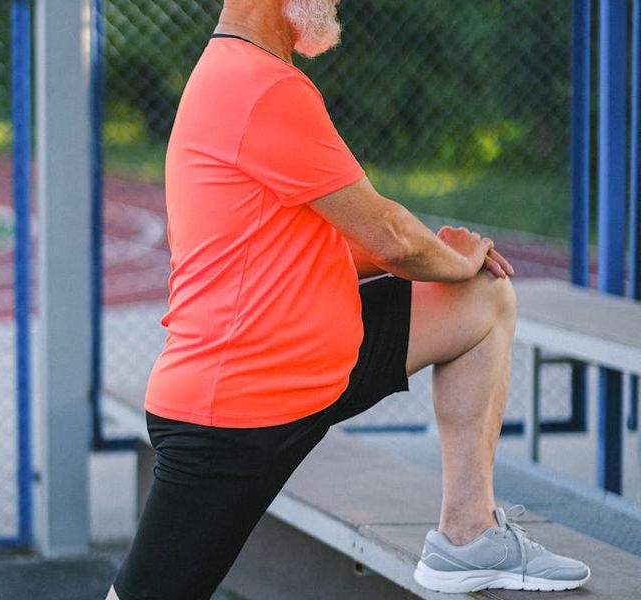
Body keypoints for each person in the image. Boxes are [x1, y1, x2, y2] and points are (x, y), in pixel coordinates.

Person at [106, 0, 591, 597]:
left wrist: (457, 269)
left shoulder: (241, 75)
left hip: (315, 367)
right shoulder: (260, 87)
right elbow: (389, 235)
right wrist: (454, 258)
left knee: (483, 301)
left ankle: (468, 535)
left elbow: (319, 242)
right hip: (232, 407)